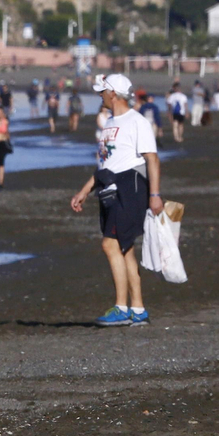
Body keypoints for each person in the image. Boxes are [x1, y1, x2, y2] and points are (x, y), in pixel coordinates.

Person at [69, 74, 163, 326]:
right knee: (124, 247)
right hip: (108, 186)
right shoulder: (109, 122)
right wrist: (84, 191)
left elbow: (152, 159)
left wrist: (154, 195)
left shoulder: (136, 121)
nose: (99, 95)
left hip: (130, 187)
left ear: (113, 94)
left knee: (110, 245)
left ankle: (121, 308)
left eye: (102, 91)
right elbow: (104, 163)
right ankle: (139, 310)